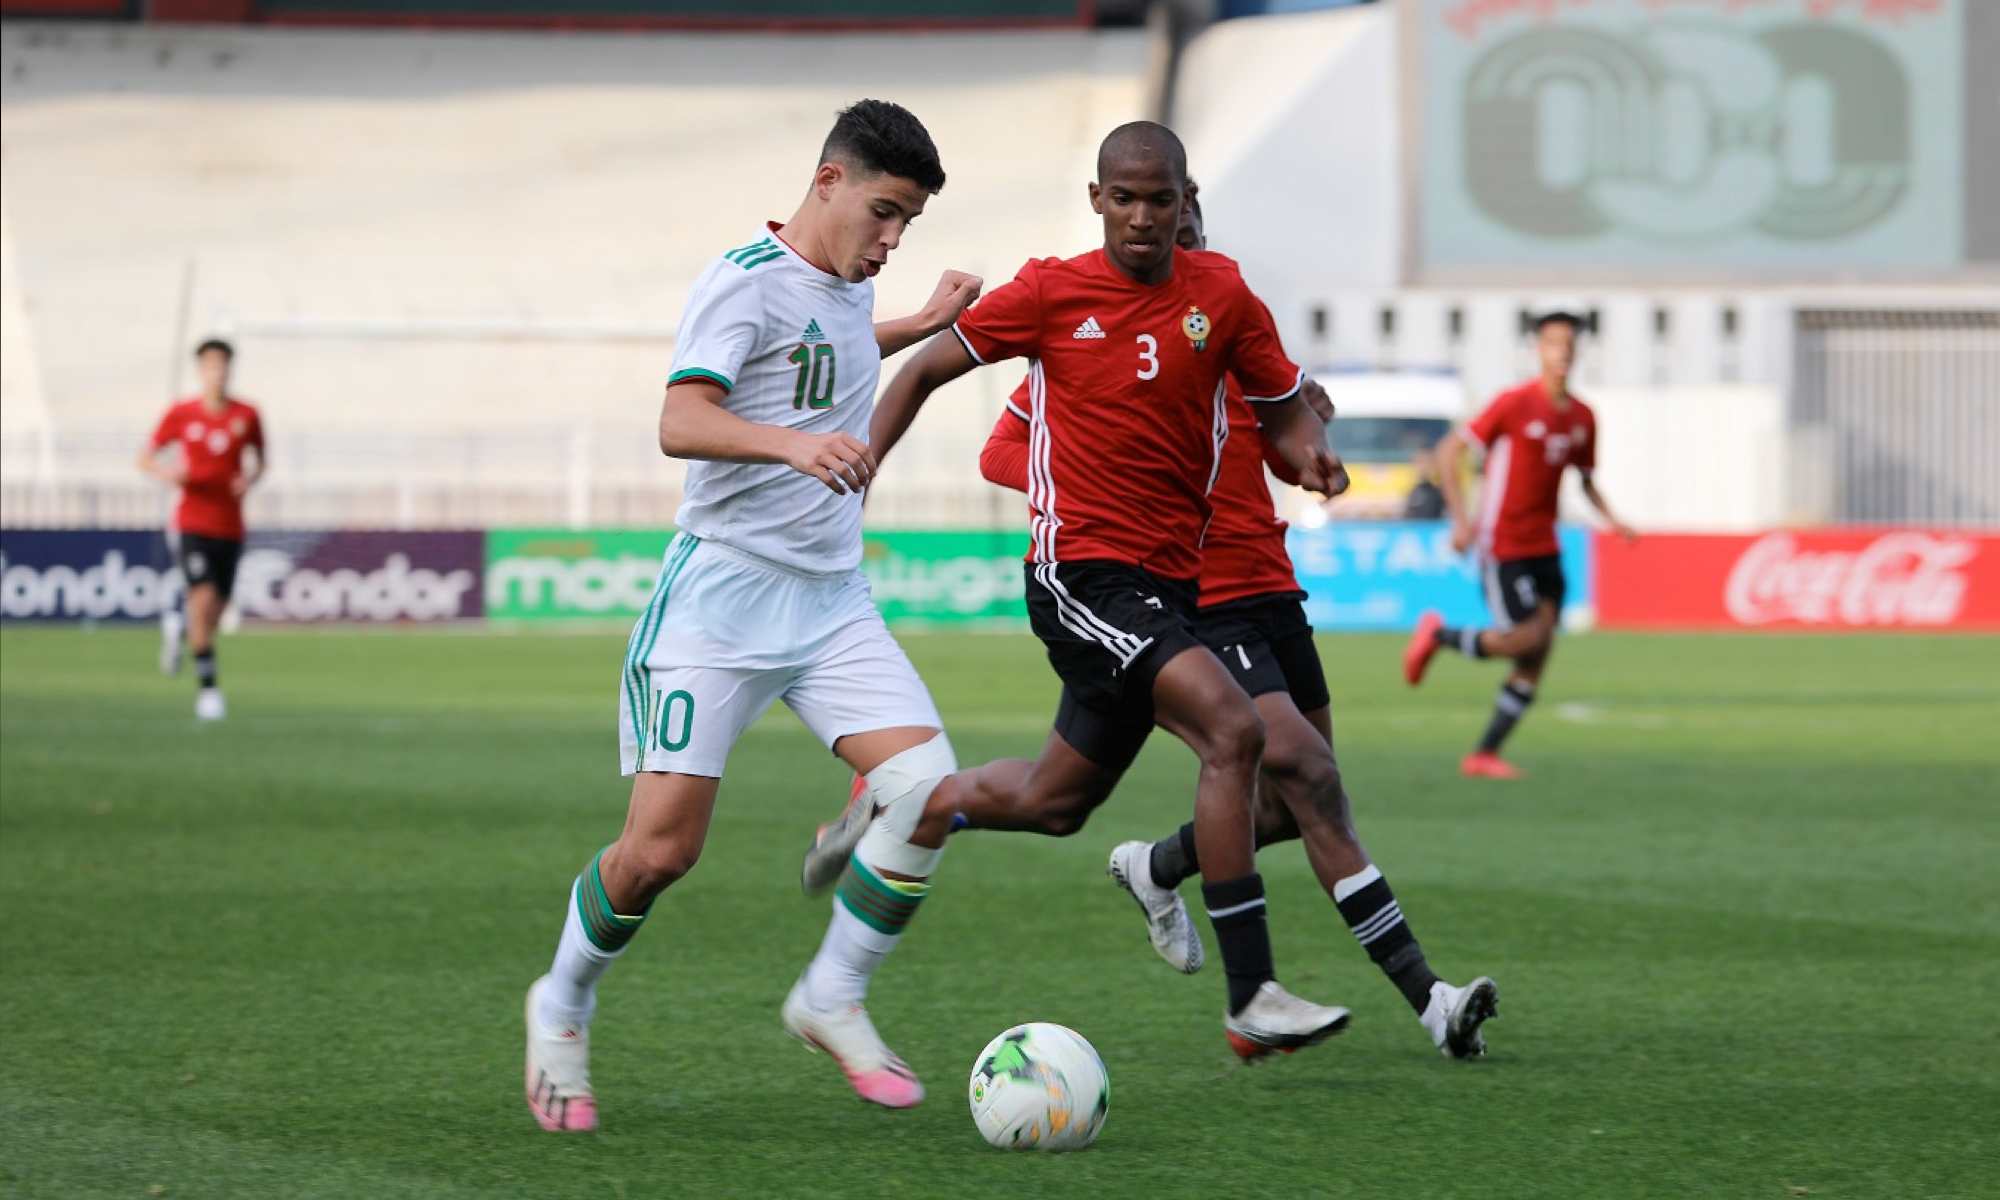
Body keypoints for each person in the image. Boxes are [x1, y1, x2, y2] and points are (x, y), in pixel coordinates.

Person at [803, 122, 1353, 1064]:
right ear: (1097, 200)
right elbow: (927, 367)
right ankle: (1252, 996)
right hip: (1081, 576)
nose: (1142, 218)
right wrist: (862, 467)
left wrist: (1309, 454)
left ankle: (908, 800)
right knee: (1234, 731)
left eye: (1160, 199)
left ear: (1184, 203)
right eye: (1124, 199)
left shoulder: (1222, 295)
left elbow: (1280, 407)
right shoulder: (1051, 291)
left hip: (1170, 587)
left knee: (1056, 802)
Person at [522, 99, 984, 1132]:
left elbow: (822, 351)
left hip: (829, 600)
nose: (893, 240)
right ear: (827, 181)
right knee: (658, 855)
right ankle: (561, 1002)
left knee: (930, 792)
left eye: (908, 222)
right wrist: (793, 446)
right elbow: (680, 418)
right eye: (884, 212)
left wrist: (916, 325)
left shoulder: (846, 284)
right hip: (720, 600)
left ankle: (831, 995)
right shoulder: (740, 281)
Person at [978, 189, 1499, 1059]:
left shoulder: (1228, 324)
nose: (1168, 245)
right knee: (1308, 773)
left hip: (1271, 585)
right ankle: (1425, 1002)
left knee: (1297, 805)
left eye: (1186, 232)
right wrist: (1096, 479)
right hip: (1198, 596)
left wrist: (1309, 443)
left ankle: (1158, 867)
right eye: (1156, 230)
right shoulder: (1099, 346)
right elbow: (1004, 451)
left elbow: (1285, 447)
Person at [1403, 311, 1637, 779]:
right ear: (1538, 349)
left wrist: (1614, 520)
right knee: (1525, 639)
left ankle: (1484, 754)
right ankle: (1439, 636)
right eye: (1553, 342)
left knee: (1538, 652)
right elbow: (1449, 451)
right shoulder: (1514, 403)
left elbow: (1586, 480)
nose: (1562, 351)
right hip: (1504, 542)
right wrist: (1462, 521)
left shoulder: (1583, 417)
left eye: (1569, 343)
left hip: (1546, 544)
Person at [137, 338, 265, 721]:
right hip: (192, 523)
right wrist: (168, 473)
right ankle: (209, 691)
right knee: (203, 596)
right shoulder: (181, 413)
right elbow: (144, 458)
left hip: (231, 526)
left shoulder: (247, 415)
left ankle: (179, 629)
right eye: (210, 366)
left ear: (229, 369)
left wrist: (250, 479)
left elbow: (260, 461)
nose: (217, 372)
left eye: (222, 365)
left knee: (215, 612)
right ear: (201, 370)